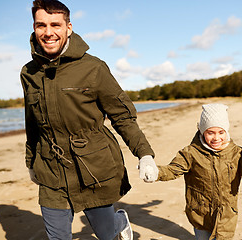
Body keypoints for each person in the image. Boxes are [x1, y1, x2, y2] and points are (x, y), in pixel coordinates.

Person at [20, 0, 159, 239]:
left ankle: (119, 222)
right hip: (51, 169)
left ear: (69, 27)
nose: (48, 32)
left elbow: (122, 116)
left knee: (106, 233)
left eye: (56, 24)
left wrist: (145, 154)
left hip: (92, 167)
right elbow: (32, 122)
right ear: (34, 28)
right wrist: (31, 160)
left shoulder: (94, 68)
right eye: (41, 25)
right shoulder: (28, 72)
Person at [149, 103, 242, 240]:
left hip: (226, 216)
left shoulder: (237, 153)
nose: (216, 138)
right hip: (200, 215)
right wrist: (156, 172)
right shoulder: (191, 153)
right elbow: (172, 170)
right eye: (210, 133)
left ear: (227, 131)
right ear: (202, 131)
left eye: (221, 132)